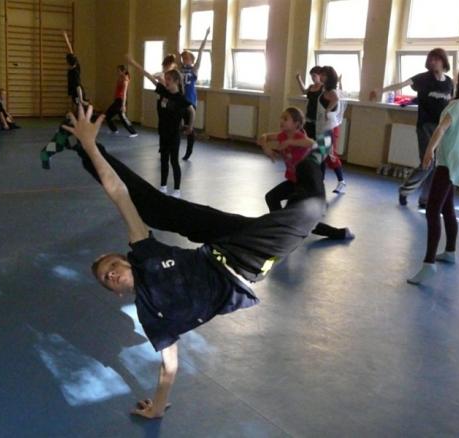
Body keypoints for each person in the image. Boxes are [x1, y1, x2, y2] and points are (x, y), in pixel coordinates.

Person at [61, 103, 328, 419]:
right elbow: (169, 365)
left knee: (155, 208)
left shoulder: (144, 254)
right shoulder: (151, 316)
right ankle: (315, 155)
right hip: (244, 261)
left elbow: (119, 193)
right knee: (311, 207)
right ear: (117, 294)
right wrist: (157, 407)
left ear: (125, 260)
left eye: (112, 266)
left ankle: (315, 150)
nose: (111, 274)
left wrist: (91, 146)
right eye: (107, 279)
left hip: (218, 246)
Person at [407, 63, 459, 285]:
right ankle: (450, 251)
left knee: (432, 210)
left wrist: (429, 151)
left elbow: (441, 129)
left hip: (448, 163)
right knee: (447, 206)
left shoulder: (457, 105)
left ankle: (428, 264)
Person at [370, 48, 454, 209]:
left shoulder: (449, 82)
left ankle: (425, 199)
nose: (433, 62)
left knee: (436, 165)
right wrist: (380, 90)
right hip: (425, 126)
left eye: (436, 59)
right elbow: (401, 84)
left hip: (441, 128)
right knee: (427, 162)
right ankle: (405, 190)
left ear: (443, 61)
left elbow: (452, 102)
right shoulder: (423, 78)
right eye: (431, 59)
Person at [259, 107, 354, 240]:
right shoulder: (282, 136)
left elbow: (312, 143)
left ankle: (341, 233)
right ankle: (280, 226)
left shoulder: (299, 137)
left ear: (296, 124)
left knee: (303, 220)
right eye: (281, 118)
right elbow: (263, 137)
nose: (281, 121)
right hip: (293, 182)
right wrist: (266, 148)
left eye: (285, 119)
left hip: (307, 186)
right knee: (271, 197)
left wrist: (290, 142)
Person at [126, 54, 195, 198]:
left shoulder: (180, 98)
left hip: (174, 134)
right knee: (164, 159)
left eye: (168, 79)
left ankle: (177, 190)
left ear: (176, 81)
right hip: (163, 132)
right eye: (166, 79)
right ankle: (163, 186)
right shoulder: (163, 91)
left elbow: (192, 110)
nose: (166, 81)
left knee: (174, 161)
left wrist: (190, 126)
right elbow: (148, 75)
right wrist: (133, 63)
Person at [179, 26, 211, 160]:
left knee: (189, 126)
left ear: (191, 60)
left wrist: (206, 36)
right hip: (180, 99)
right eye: (183, 58)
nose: (184, 60)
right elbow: (177, 50)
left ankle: (189, 150)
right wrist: (179, 32)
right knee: (178, 123)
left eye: (187, 58)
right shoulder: (181, 68)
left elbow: (201, 51)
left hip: (190, 99)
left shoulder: (194, 69)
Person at [316, 66, 347, 194]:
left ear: (329, 77)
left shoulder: (332, 92)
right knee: (322, 155)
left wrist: (327, 110)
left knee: (330, 155)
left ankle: (341, 181)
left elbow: (336, 99)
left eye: (324, 75)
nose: (321, 77)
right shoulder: (325, 90)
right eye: (321, 74)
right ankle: (320, 180)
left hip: (330, 128)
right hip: (323, 126)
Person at [104, 65, 138, 137]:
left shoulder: (125, 80)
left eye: (119, 71)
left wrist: (123, 105)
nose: (117, 72)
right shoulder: (120, 78)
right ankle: (114, 130)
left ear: (123, 71)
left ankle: (133, 132)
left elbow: (124, 93)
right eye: (117, 71)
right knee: (111, 116)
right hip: (117, 100)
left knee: (111, 116)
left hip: (120, 101)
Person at [296, 66, 323, 140]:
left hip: (318, 117)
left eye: (314, 76)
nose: (312, 78)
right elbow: (304, 91)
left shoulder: (323, 87)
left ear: (320, 75)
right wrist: (299, 79)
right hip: (309, 115)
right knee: (307, 138)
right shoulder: (311, 86)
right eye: (311, 76)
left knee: (318, 140)